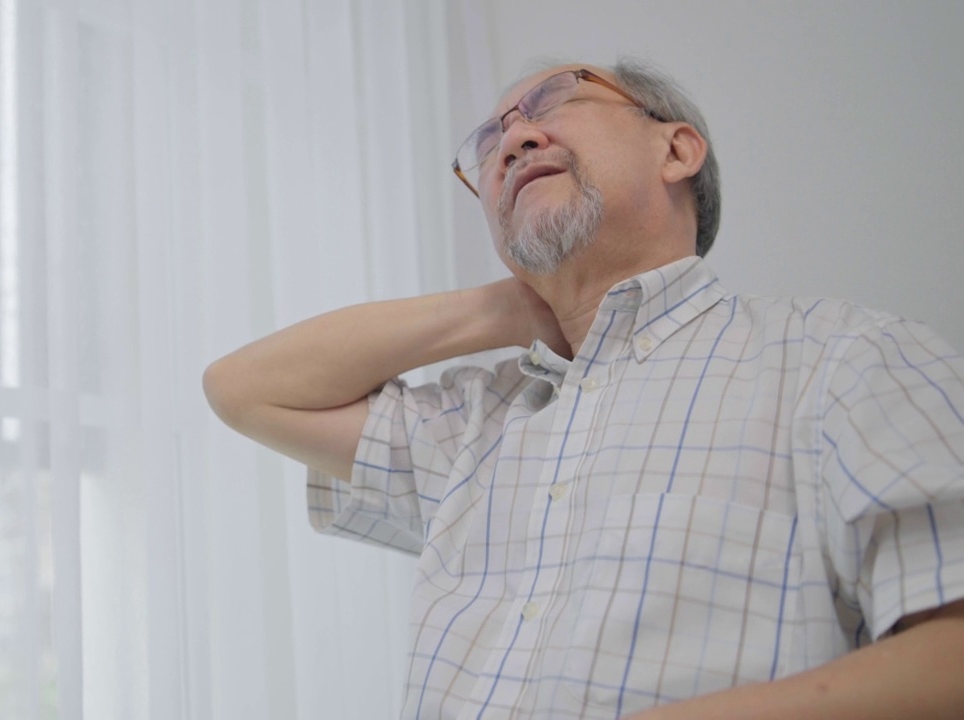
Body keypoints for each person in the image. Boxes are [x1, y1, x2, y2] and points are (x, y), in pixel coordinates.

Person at [202, 58, 964, 719]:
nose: (513, 140)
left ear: (677, 149)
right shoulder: (478, 420)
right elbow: (244, 388)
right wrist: (511, 302)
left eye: (555, 102)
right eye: (490, 143)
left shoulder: (845, 358)